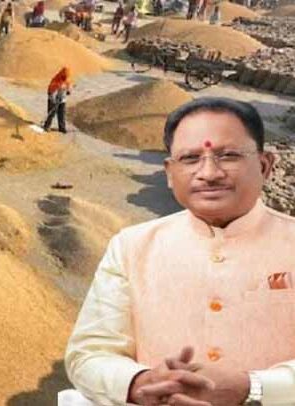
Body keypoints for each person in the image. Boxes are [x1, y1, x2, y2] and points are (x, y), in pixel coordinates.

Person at [63, 98, 295, 406]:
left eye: (228, 155)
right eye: (190, 158)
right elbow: (89, 353)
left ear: (265, 166)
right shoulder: (132, 247)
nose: (209, 173)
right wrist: (140, 383)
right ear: (170, 173)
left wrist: (251, 389)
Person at [43, 67, 71, 133]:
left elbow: (67, 88)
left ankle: (62, 127)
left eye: (66, 77)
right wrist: (54, 100)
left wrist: (68, 91)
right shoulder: (55, 80)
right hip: (53, 99)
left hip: (62, 99)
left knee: (62, 114)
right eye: (64, 77)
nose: (65, 78)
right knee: (51, 113)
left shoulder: (67, 80)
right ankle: (47, 126)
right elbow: (51, 91)